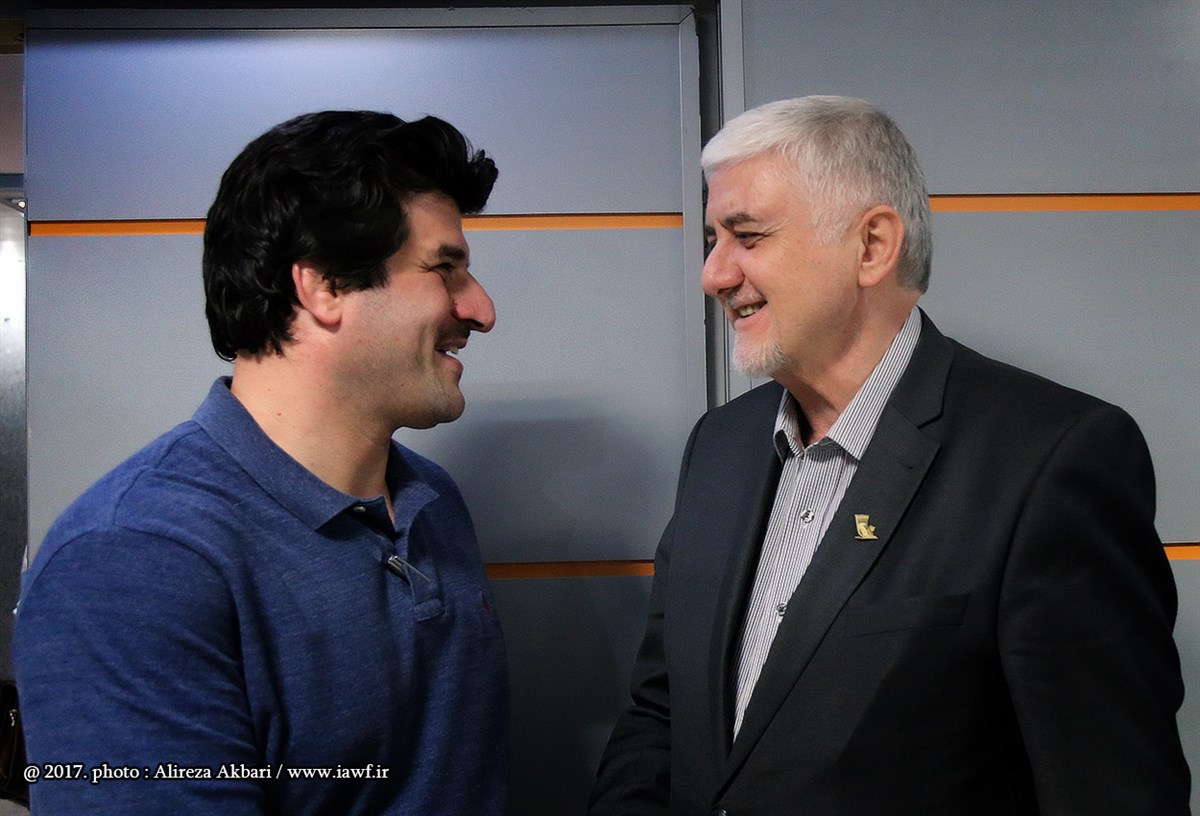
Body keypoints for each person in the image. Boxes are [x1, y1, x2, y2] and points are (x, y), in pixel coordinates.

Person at [589, 96, 1190, 815]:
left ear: (872, 246)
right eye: (714, 240)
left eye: (747, 236)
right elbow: (660, 714)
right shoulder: (718, 447)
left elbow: (1112, 789)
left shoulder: (1052, 459)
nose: (714, 274)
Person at [14, 110, 509, 815]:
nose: (481, 309)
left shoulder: (433, 502)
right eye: (445, 268)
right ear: (325, 286)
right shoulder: (134, 558)